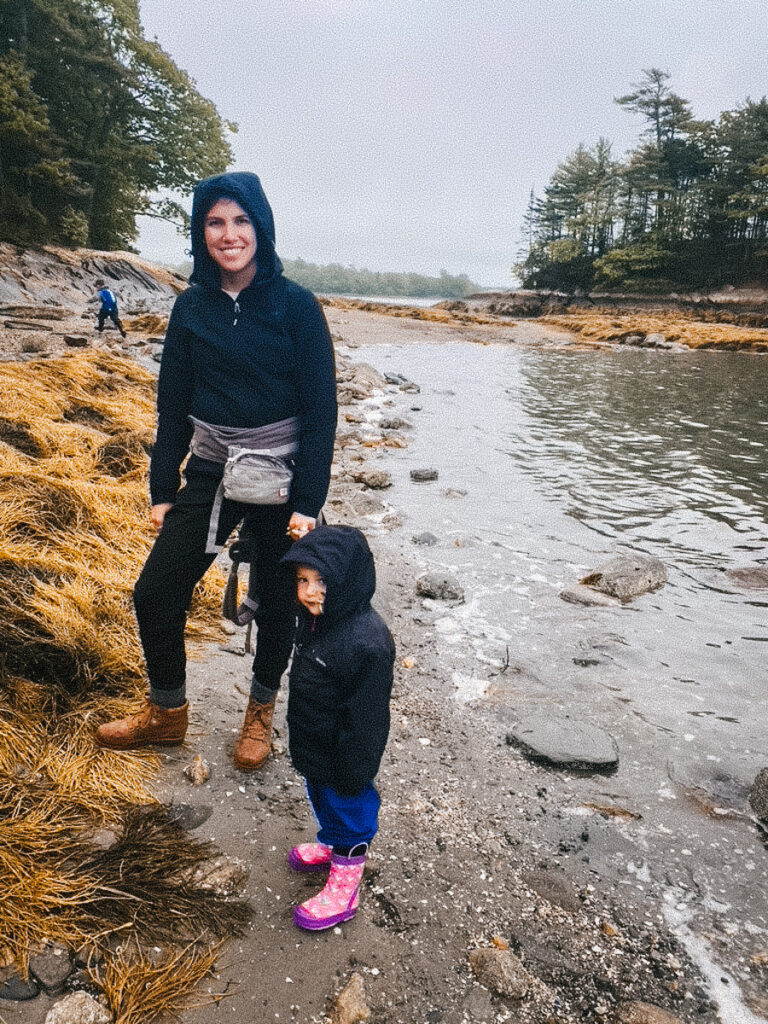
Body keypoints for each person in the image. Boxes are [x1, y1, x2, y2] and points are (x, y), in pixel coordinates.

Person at [95, 171, 337, 770]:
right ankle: (167, 713)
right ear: (201, 233)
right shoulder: (191, 307)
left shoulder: (297, 307)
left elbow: (321, 413)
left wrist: (307, 503)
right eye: (215, 223)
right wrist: (161, 487)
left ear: (261, 227)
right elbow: (172, 404)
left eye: (240, 221)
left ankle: (259, 714)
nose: (229, 235)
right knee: (155, 593)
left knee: (280, 603)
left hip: (281, 475)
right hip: (210, 467)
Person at [279, 525, 395, 931]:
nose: (309, 591)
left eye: (322, 581)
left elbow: (367, 720)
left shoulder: (368, 644)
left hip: (346, 759)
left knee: (349, 813)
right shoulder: (316, 621)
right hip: (316, 743)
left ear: (348, 580)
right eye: (303, 580)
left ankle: (346, 885)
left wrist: (354, 770)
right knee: (319, 795)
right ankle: (331, 843)